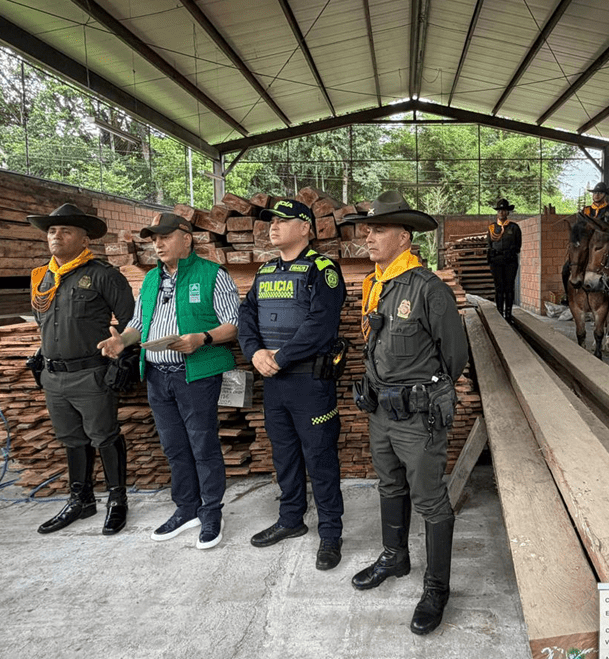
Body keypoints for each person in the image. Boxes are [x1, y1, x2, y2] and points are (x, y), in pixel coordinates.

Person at [342, 191, 468, 636]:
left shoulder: (427, 288)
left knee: (430, 500)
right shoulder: (375, 284)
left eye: (378, 230)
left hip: (418, 417)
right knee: (389, 484)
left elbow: (455, 356)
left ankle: (437, 588)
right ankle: (395, 557)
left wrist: (422, 393)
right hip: (380, 410)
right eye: (367, 230)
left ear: (404, 237)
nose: (368, 237)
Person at [98, 212, 239, 550]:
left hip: (195, 376)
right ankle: (187, 509)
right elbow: (139, 324)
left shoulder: (213, 275)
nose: (157, 244)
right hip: (157, 377)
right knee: (174, 447)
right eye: (154, 239)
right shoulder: (150, 279)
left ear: (186, 239)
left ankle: (211, 512)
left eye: (165, 237)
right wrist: (122, 342)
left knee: (203, 446)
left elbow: (233, 324)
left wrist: (201, 338)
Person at [237, 200, 347, 570]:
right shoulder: (265, 271)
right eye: (271, 221)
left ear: (305, 228)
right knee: (284, 455)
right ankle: (290, 519)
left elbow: (321, 325)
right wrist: (254, 353)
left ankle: (330, 533)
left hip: (309, 382)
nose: (273, 226)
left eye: (283, 221)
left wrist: (280, 357)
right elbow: (246, 314)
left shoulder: (322, 269)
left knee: (320, 457)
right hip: (274, 383)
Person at [28, 204, 135, 536]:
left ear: (84, 239)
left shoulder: (103, 275)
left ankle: (117, 500)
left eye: (66, 231)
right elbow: (44, 324)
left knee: (105, 436)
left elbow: (133, 320)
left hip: (91, 374)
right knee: (71, 439)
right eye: (52, 231)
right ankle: (81, 500)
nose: (56, 236)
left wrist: (122, 357)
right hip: (54, 376)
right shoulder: (42, 278)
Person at [486, 198, 521, 322]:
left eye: (504, 210)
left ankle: (508, 315)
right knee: (499, 288)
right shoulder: (492, 228)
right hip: (496, 261)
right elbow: (489, 244)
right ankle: (500, 313)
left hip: (510, 261)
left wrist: (509, 252)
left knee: (509, 288)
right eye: (499, 210)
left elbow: (518, 246)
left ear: (508, 212)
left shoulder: (514, 227)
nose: (501, 212)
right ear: (497, 212)